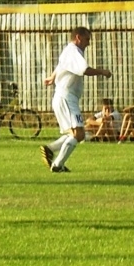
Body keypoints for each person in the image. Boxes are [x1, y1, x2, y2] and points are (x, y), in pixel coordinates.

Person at [40, 26, 112, 172]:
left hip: (63, 96)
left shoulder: (69, 50)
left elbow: (61, 64)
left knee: (75, 133)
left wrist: (52, 77)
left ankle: (50, 150)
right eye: (87, 39)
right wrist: (102, 72)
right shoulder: (74, 51)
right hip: (67, 97)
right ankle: (57, 165)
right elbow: (84, 70)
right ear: (78, 37)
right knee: (79, 134)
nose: (89, 43)